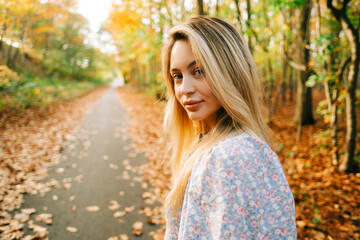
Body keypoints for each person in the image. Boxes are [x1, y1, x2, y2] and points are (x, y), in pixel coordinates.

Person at [162, 16, 296, 239]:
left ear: (229, 73)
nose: (184, 88)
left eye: (199, 71)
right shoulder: (211, 144)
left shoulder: (229, 155)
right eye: (177, 76)